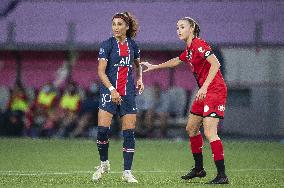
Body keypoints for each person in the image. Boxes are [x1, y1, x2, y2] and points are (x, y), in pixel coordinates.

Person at [140, 17, 229, 184]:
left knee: (210, 133)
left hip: (214, 90)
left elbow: (215, 64)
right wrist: (155, 66)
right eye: (177, 27)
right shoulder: (189, 50)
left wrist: (204, 87)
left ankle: (222, 175)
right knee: (191, 128)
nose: (178, 30)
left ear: (192, 28)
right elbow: (177, 60)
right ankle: (199, 169)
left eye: (182, 27)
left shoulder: (199, 44)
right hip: (204, 91)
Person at [92, 12, 144, 183]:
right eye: (114, 24)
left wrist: (139, 79)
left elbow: (138, 65)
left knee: (128, 133)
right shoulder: (106, 45)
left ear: (127, 27)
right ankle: (104, 163)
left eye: (119, 24)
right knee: (102, 131)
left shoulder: (133, 46)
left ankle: (127, 172)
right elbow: (101, 71)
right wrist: (112, 89)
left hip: (128, 93)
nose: (116, 27)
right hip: (109, 92)